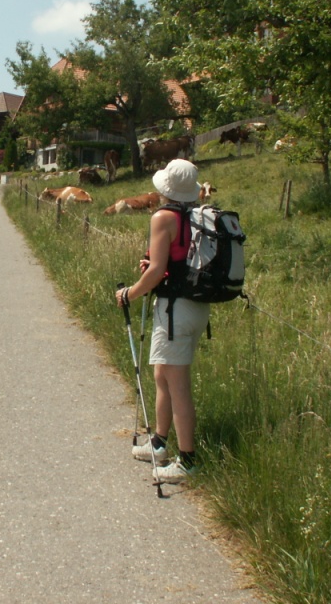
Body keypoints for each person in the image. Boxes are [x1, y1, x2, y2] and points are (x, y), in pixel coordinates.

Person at [115, 158, 210, 484]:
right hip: (197, 309)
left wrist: (131, 293)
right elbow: (173, 262)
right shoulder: (198, 216)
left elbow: (155, 271)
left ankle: (187, 461)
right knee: (162, 376)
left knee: (178, 385)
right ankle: (158, 443)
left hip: (174, 312)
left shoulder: (163, 217)